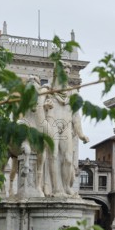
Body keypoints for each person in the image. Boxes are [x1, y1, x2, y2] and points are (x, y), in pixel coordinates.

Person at [45, 61, 89, 197]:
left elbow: (76, 115)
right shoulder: (48, 90)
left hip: (66, 127)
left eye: (68, 73)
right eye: (63, 72)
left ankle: (66, 187)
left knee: (68, 158)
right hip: (52, 124)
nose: (66, 74)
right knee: (53, 156)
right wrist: (45, 106)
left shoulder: (73, 93)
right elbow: (37, 110)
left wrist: (81, 133)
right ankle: (56, 189)